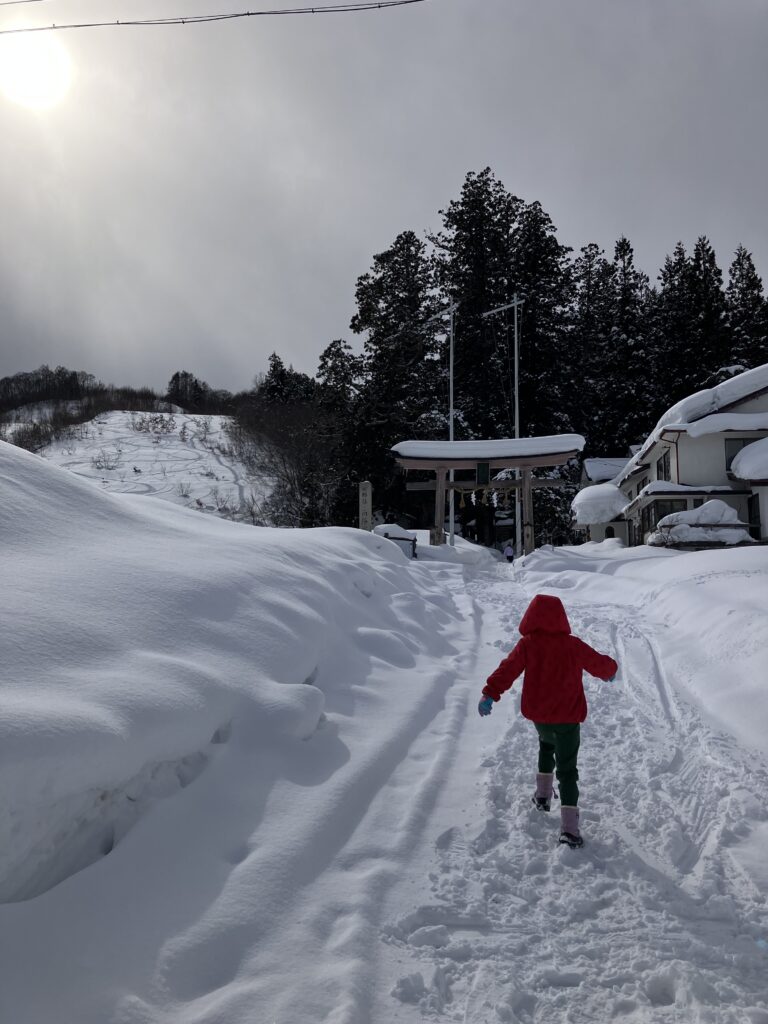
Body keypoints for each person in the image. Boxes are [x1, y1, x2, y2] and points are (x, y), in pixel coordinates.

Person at [477, 594, 617, 849]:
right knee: (567, 769)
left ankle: (542, 797)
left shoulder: (528, 645)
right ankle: (570, 831)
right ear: (561, 619)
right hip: (567, 718)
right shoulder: (572, 645)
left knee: (545, 745)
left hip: (540, 717)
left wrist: (490, 693)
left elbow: (507, 669)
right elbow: (597, 662)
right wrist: (611, 671)